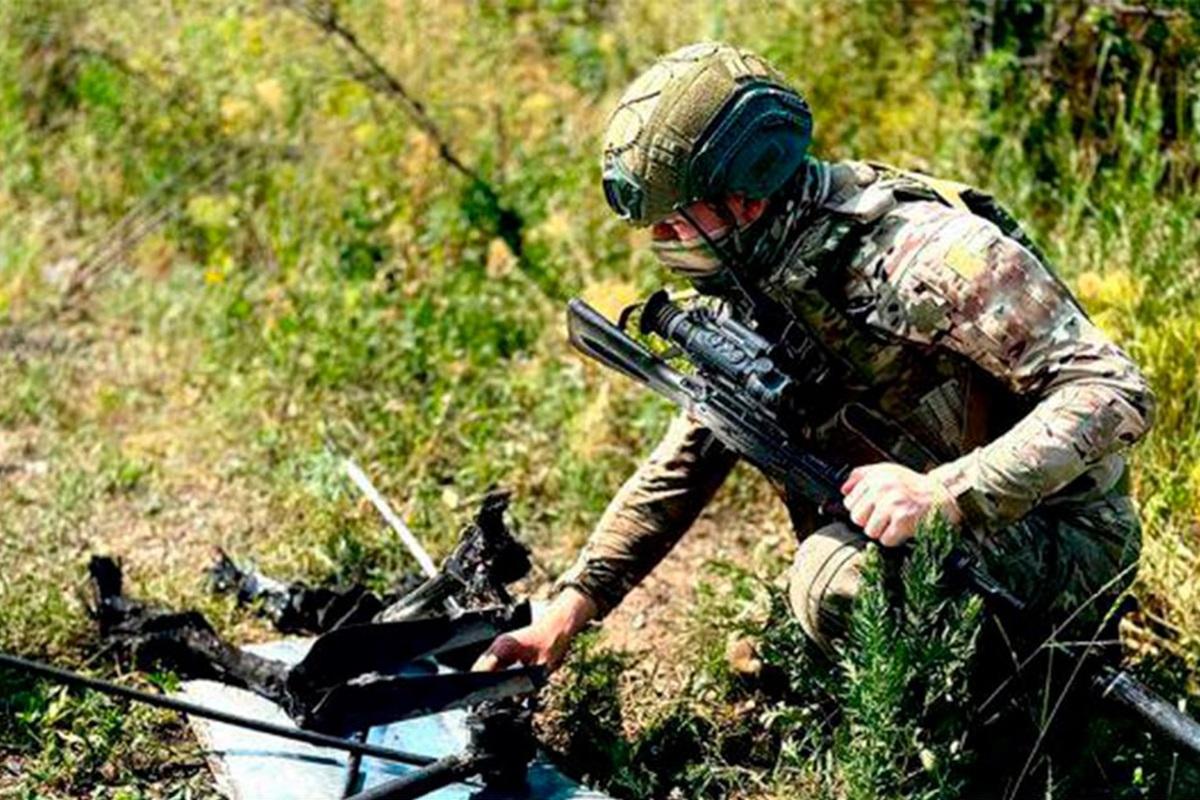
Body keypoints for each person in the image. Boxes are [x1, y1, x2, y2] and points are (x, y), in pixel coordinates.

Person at [473, 42, 1153, 684]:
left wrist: (944, 494)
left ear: (745, 198)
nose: (661, 243)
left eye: (675, 223)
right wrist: (571, 607)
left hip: (1062, 535)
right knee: (817, 593)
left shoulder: (920, 256)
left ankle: (1004, 716)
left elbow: (1113, 389)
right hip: (942, 533)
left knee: (829, 581)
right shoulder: (755, 271)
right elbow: (691, 455)